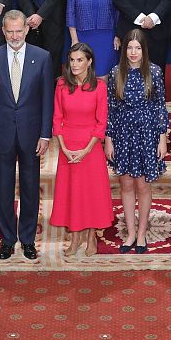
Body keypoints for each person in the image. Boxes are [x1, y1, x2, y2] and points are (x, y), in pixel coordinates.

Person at [0, 10, 54, 260]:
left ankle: (28, 239)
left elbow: (46, 100)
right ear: (3, 31)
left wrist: (45, 135)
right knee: (4, 189)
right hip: (0, 137)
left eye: (18, 31)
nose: (14, 35)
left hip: (32, 135)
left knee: (31, 188)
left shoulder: (42, 57)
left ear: (27, 30)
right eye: (9, 31)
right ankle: (8, 239)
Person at [105, 29, 169, 254]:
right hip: (122, 134)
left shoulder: (154, 72)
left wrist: (162, 139)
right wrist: (108, 139)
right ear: (124, 50)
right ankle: (130, 233)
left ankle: (142, 233)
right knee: (126, 184)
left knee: (142, 185)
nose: (133, 52)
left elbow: (160, 106)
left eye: (137, 48)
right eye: (129, 48)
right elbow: (110, 108)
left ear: (144, 50)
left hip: (147, 134)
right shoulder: (115, 73)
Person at [50, 43, 113, 257]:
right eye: (72, 60)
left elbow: (101, 122)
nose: (75, 64)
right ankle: (75, 238)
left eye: (80, 60)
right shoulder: (61, 85)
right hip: (67, 146)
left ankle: (91, 237)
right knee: (72, 193)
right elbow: (57, 118)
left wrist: (87, 149)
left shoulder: (100, 87)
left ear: (89, 62)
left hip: (91, 147)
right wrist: (64, 148)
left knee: (91, 194)